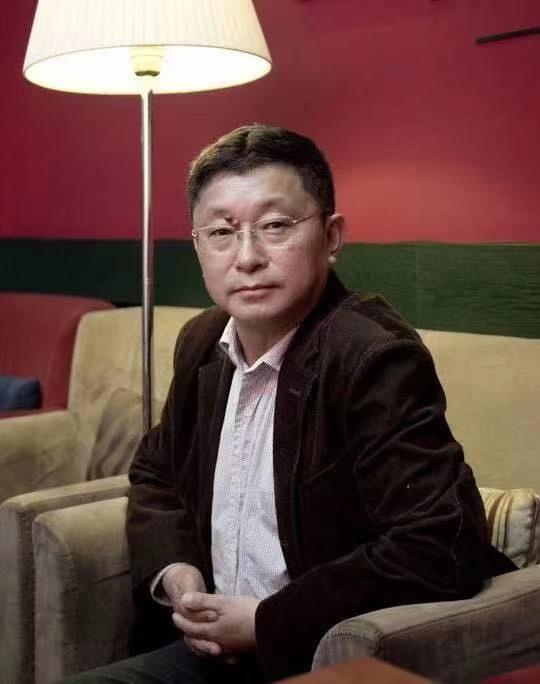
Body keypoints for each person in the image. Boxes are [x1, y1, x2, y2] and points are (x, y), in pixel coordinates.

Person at [67, 125, 515, 683]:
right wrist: (175, 571)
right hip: (206, 651)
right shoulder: (202, 340)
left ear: (331, 236)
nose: (247, 257)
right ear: (198, 246)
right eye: (222, 232)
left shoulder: (373, 355)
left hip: (317, 653)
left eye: (276, 225)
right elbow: (157, 472)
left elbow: (439, 541)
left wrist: (267, 622)